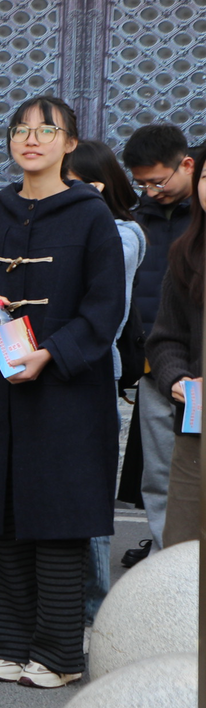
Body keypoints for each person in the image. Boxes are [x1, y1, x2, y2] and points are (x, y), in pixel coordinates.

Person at [0, 96, 124, 690]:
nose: (32, 139)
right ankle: (7, 644)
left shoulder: (90, 214)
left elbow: (106, 308)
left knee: (55, 518)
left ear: (69, 143)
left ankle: (58, 654)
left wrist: (52, 353)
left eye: (47, 130)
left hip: (64, 391)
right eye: (21, 130)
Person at [65, 139, 147, 622]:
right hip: (54, 367)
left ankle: (92, 605)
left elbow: (100, 315)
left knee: (89, 494)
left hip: (91, 371)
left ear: (95, 187)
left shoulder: (119, 234)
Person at [122, 123, 197, 563]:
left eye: (159, 180)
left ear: (187, 164)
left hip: (198, 364)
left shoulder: (198, 221)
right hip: (156, 365)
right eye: (142, 183)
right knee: (159, 473)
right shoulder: (138, 221)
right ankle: (165, 563)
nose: (151, 192)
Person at [146, 164, 206, 554]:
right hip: (196, 431)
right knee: (183, 553)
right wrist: (177, 379)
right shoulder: (186, 253)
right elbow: (166, 337)